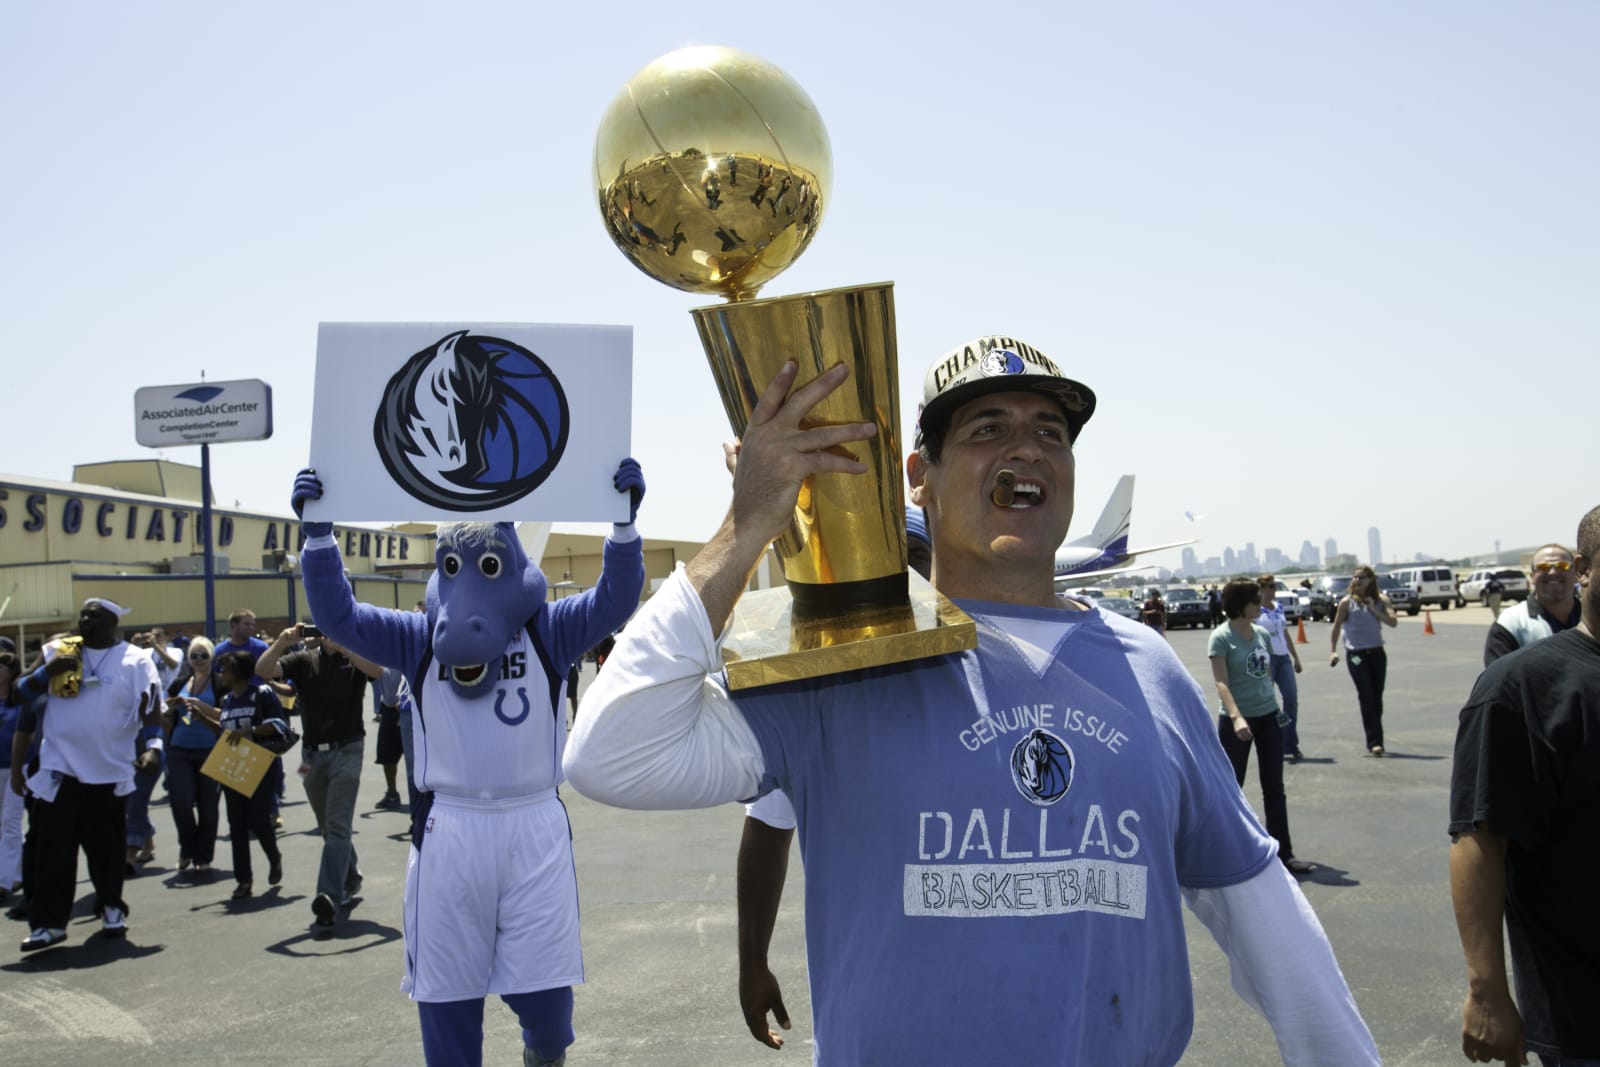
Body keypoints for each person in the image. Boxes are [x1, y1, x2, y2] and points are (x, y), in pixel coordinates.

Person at [566, 338, 1377, 1063]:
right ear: (918, 477)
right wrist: (744, 527)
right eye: (986, 428)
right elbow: (608, 752)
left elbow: (1260, 912)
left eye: (1049, 432)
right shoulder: (842, 666)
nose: (1025, 449)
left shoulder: (1150, 669)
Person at [291, 458, 647, 1067]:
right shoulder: (419, 637)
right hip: (448, 829)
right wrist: (319, 538)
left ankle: (543, 1050)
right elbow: (339, 617)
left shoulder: (546, 631)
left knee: (545, 998)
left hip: (530, 822)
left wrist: (622, 528)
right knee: (447, 992)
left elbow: (615, 600)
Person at [733, 508, 934, 1048]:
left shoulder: (975, 675)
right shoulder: (819, 694)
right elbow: (768, 830)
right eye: (887, 563)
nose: (903, 580)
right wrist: (753, 961)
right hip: (869, 1015)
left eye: (915, 560)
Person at [1449, 505, 1600, 1066]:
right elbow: (1478, 841)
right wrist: (1487, 991)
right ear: (1584, 568)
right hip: (1582, 1010)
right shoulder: (1522, 689)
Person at [14, 597, 162, 951]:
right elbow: (19, 694)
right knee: (53, 850)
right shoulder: (58, 650)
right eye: (83, 615)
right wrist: (44, 673)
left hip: (109, 772)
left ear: (113, 623)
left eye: (94, 617)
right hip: (59, 769)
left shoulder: (136, 659)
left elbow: (154, 709)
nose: (85, 620)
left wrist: (154, 747)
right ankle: (49, 925)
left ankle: (111, 907)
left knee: (107, 850)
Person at [258, 623, 382, 932]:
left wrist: (345, 648)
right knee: (328, 826)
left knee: (338, 824)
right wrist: (281, 643)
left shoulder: (354, 657)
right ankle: (350, 876)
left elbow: (378, 673)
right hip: (312, 756)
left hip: (348, 750)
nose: (325, 633)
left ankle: (329, 894)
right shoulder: (303, 659)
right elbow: (264, 671)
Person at [1209, 578, 1313, 875]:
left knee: (1275, 788)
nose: (1261, 604)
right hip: (1236, 721)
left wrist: (1275, 710)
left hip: (1268, 716)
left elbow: (1266, 676)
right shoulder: (1221, 637)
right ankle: (1226, 852)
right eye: (1255, 600)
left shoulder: (1262, 634)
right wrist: (1237, 716)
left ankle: (1285, 853)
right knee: (1232, 788)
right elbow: (1221, 683)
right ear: (1240, 605)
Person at [197, 649, 290, 901]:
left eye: (225, 669)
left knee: (259, 820)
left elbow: (280, 725)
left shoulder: (261, 695)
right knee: (236, 825)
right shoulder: (227, 699)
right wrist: (201, 716)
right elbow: (225, 731)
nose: (221, 674)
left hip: (259, 764)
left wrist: (250, 729)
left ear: (237, 673)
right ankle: (244, 880)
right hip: (233, 766)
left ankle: (274, 858)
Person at [162, 636, 223, 878]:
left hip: (210, 749)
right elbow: (166, 716)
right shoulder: (179, 684)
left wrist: (201, 706)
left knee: (208, 806)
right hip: (179, 749)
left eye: (203, 655)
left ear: (211, 657)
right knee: (182, 802)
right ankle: (186, 848)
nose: (199, 660)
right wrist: (167, 713)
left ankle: (203, 855)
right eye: (194, 656)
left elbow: (225, 714)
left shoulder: (219, 684)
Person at [1328, 566, 1398, 757]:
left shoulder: (1381, 600)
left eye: (1362, 578)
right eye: (1355, 577)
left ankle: (1376, 734)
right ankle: (1375, 742)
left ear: (1371, 580)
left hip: (1376, 652)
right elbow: (1336, 627)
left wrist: (1374, 609)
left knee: (1376, 697)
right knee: (1366, 695)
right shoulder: (1346, 602)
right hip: (1356, 655)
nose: (1358, 581)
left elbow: (1393, 622)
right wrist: (1333, 651)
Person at [1484, 544, 1581, 665]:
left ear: (1577, 574)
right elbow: (1499, 679)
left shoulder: (1594, 617)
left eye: (1562, 566)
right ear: (1532, 577)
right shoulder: (1511, 623)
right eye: (1543, 567)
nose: (1552, 572)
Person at [1257, 576, 1306, 761]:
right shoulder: (1256, 612)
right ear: (1260, 589)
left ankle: (1290, 743)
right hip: (1267, 659)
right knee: (1270, 703)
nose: (1273, 590)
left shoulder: (1278, 607)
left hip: (1283, 657)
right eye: (1269, 587)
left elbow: (1284, 632)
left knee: (1291, 698)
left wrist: (1296, 657)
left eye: (1274, 586)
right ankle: (1273, 743)